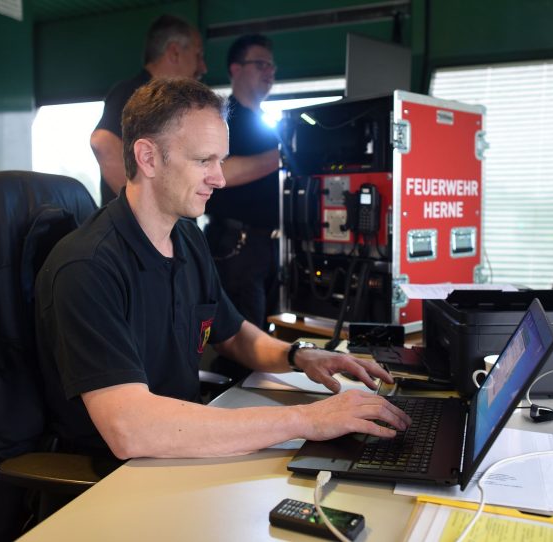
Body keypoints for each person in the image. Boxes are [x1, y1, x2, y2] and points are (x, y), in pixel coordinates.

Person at [35, 78, 410, 460]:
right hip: (115, 479)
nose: (221, 178)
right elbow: (131, 429)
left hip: (186, 448)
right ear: (147, 157)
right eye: (203, 161)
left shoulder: (188, 239)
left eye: (221, 160)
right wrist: (307, 419)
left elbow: (233, 335)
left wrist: (301, 356)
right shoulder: (87, 266)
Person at [204, 34, 281, 380]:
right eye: (261, 64)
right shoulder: (222, 119)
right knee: (239, 342)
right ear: (236, 69)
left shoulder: (266, 123)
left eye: (272, 66)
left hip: (270, 245)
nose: (270, 71)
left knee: (266, 333)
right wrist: (283, 156)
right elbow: (220, 173)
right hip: (235, 245)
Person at [90, 14, 207, 206]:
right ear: (175, 52)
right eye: (198, 55)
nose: (204, 66)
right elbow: (103, 144)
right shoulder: (132, 92)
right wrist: (151, 209)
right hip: (139, 234)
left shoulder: (176, 102)